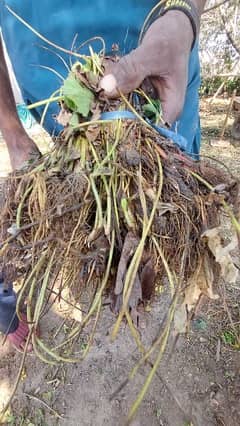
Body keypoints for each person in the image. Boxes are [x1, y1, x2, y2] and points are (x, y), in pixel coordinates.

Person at [0, 0, 206, 350]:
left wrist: (185, 15)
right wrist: (12, 132)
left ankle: (175, 270)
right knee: (95, 217)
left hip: (163, 76)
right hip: (61, 105)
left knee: (178, 209)